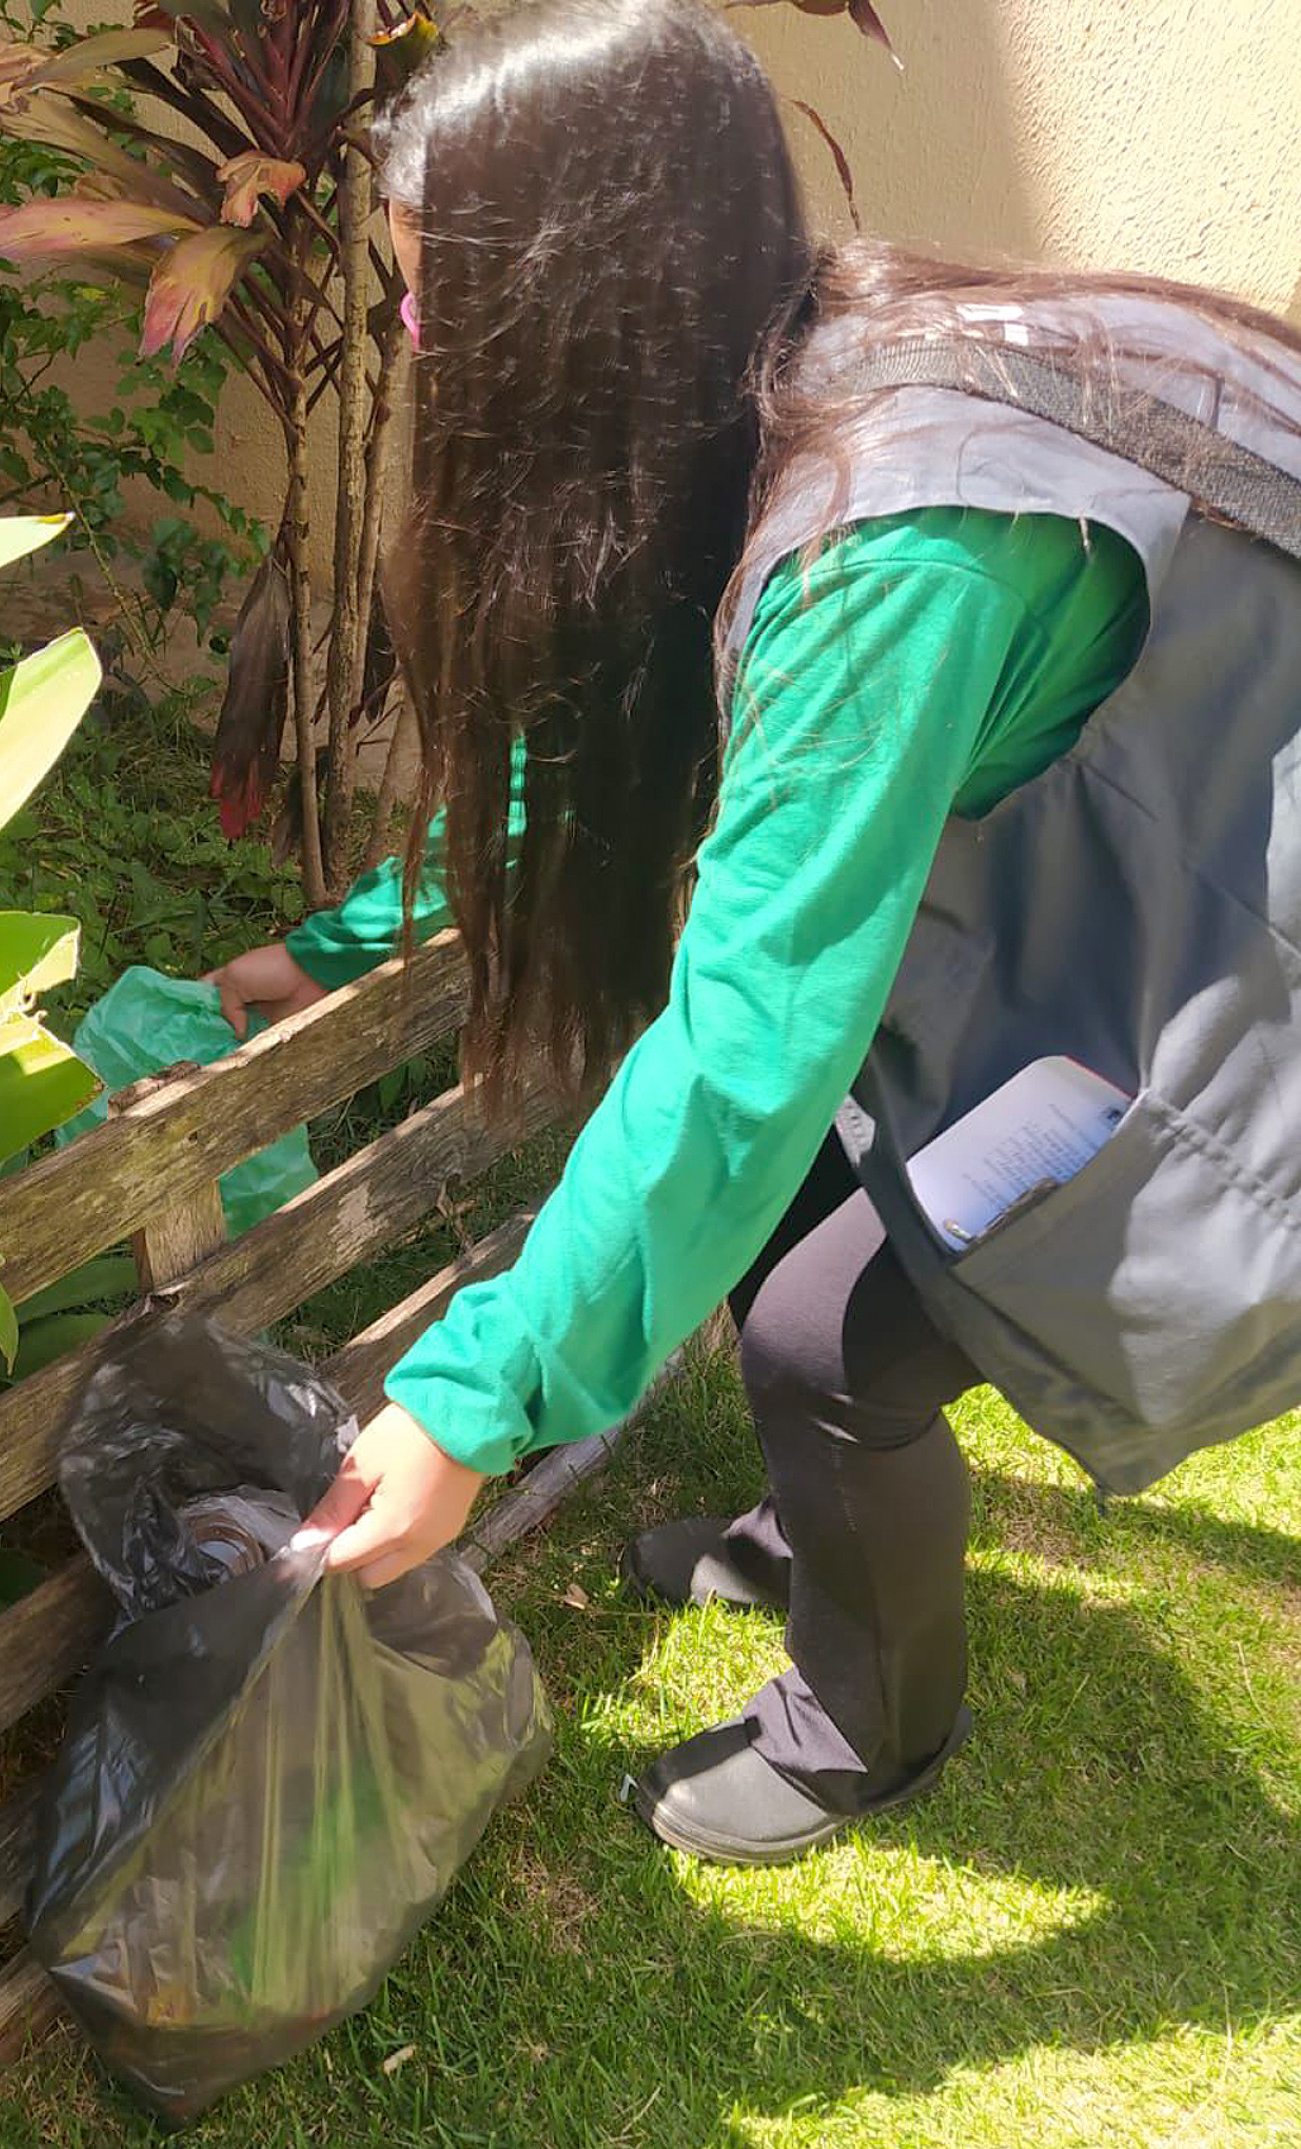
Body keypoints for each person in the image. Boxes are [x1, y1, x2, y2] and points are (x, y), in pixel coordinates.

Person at [206, 0, 1301, 1864]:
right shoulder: (759, 387)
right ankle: (814, 1532)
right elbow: (609, 752)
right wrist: (328, 953)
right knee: (802, 1208)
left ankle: (866, 1728)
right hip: (1133, 866)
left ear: (585, 297)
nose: (412, 341)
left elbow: (752, 1035)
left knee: (829, 1337)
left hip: (1243, 935)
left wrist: (467, 1404)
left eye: (435, 304)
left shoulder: (892, 546)